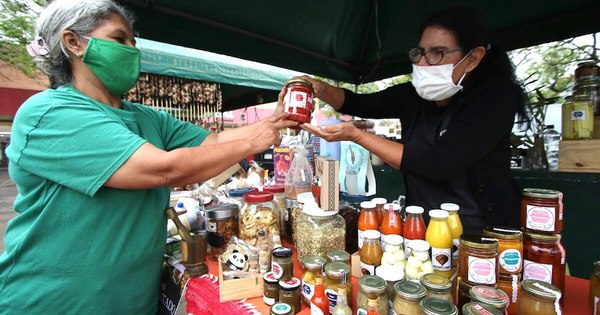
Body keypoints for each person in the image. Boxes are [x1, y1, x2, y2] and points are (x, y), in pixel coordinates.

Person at [0, 0, 296, 314]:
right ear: (73, 43)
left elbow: (216, 140)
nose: (132, 50)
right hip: (54, 302)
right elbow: (162, 170)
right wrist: (252, 141)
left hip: (132, 303)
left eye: (133, 41)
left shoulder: (146, 118)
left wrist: (275, 120)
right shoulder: (49, 113)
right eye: (119, 40)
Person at [293, 7, 529, 233]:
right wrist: (319, 88)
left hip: (482, 237)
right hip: (422, 231)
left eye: (438, 53)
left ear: (472, 58)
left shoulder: (494, 97)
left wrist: (357, 135)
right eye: (420, 53)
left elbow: (439, 163)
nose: (423, 63)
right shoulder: (413, 97)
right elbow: (355, 102)